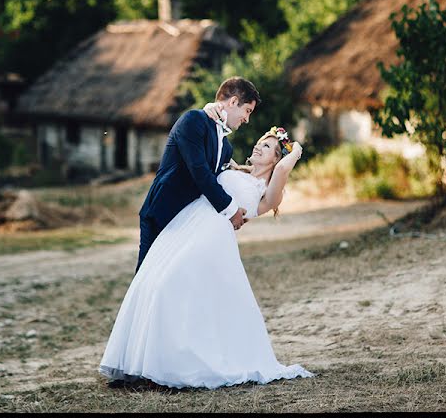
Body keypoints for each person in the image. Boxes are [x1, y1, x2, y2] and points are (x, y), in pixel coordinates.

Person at [99, 125, 314, 390]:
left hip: (211, 240)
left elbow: (282, 170)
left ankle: (168, 369)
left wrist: (295, 150)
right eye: (260, 142)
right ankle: (142, 368)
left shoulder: (266, 191)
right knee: (152, 283)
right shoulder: (233, 169)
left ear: (276, 158)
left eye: (267, 146)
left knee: (168, 285)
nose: (259, 146)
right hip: (185, 227)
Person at [134, 76, 260, 273]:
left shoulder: (226, 147)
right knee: (147, 279)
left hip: (189, 221)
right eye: (247, 111)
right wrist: (231, 209)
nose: (247, 118)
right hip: (163, 214)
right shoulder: (193, 121)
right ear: (234, 101)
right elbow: (200, 173)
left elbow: (219, 180)